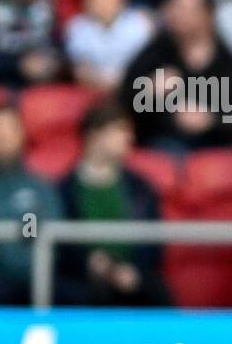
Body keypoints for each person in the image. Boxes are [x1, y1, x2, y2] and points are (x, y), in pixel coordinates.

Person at [56, 101, 170, 307]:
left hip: (134, 277)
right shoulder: (65, 190)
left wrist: (133, 271)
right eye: (120, 130)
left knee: (157, 292)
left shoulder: (141, 188)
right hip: (83, 281)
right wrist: (89, 263)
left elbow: (154, 240)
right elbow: (60, 245)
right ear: (94, 135)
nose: (129, 138)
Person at [121, 0, 232, 151]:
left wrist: (209, 120)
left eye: (185, 9)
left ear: (207, 15)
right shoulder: (156, 53)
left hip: (213, 145)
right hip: (164, 143)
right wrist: (148, 92)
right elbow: (125, 103)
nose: (177, 15)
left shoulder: (227, 63)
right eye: (174, 7)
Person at [0, 102, 63, 305]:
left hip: (27, 283)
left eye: (8, 131)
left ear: (21, 136)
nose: (2, 139)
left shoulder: (38, 187)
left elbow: (35, 233)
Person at [65, 0, 154, 91]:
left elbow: (147, 64)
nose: (103, 3)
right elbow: (81, 69)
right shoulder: (76, 28)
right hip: (92, 89)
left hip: (134, 86)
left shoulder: (140, 24)